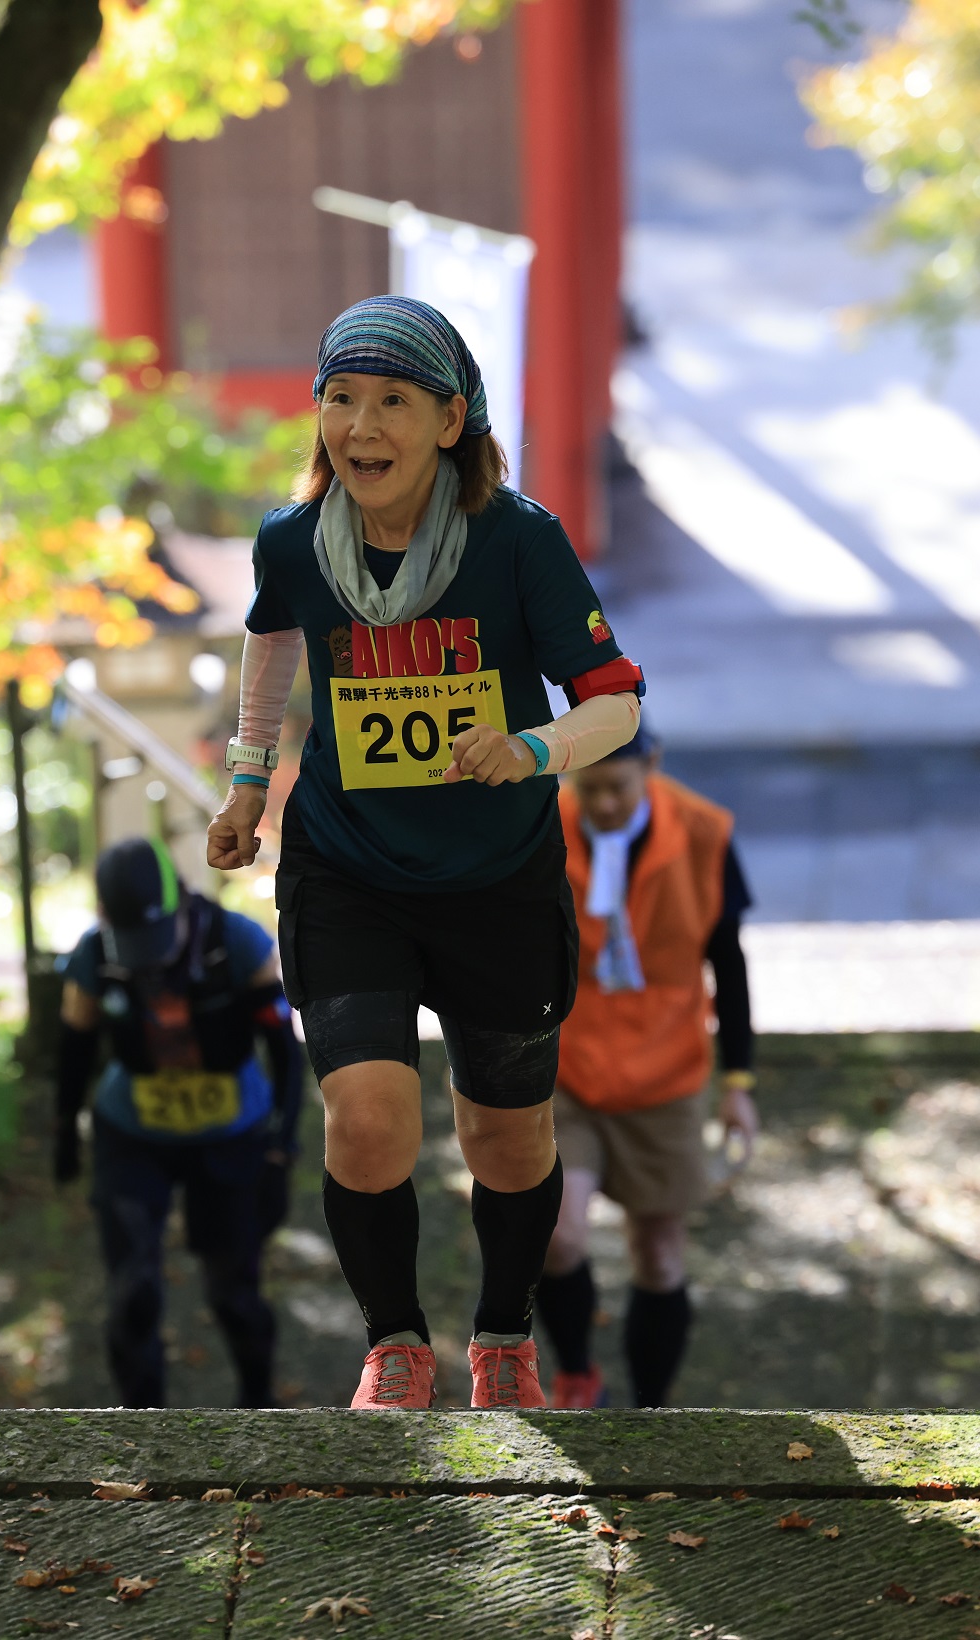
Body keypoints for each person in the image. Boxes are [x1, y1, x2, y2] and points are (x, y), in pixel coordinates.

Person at [206, 295, 645, 1410]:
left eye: (393, 401)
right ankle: (394, 1344)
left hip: (496, 878)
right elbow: (272, 632)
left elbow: (616, 702)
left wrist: (533, 748)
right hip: (347, 869)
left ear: (450, 420)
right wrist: (248, 783)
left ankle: (502, 1340)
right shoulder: (294, 540)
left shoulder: (518, 539)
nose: (361, 426)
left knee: (506, 1139)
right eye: (341, 398)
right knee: (366, 1121)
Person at [538, 726, 757, 1409]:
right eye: (589, 788)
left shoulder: (704, 833)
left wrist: (739, 1082)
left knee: (659, 1254)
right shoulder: (542, 826)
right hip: (568, 1065)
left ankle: (652, 1409)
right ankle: (577, 1375)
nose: (604, 803)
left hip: (666, 1073)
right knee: (555, 1236)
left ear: (651, 766)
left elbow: (729, 963)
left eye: (618, 787)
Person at [57, 836, 306, 1408]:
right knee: (133, 1291)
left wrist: (281, 1146)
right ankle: (140, 1429)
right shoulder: (93, 956)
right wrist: (64, 1133)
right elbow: (74, 1047)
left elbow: (285, 1054)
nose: (149, 960)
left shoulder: (238, 943)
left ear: (183, 901)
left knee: (234, 1292)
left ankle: (259, 1410)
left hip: (232, 1131)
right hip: (132, 1134)